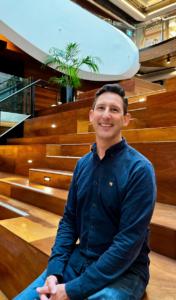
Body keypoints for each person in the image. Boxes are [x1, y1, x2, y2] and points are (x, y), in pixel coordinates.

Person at [14, 84, 156, 300]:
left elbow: (127, 244)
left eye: (115, 110)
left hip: (125, 271)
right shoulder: (82, 165)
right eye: (101, 108)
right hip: (79, 259)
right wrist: (54, 271)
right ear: (91, 115)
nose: (106, 115)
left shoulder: (140, 169)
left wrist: (71, 290)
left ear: (125, 119)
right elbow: (69, 221)